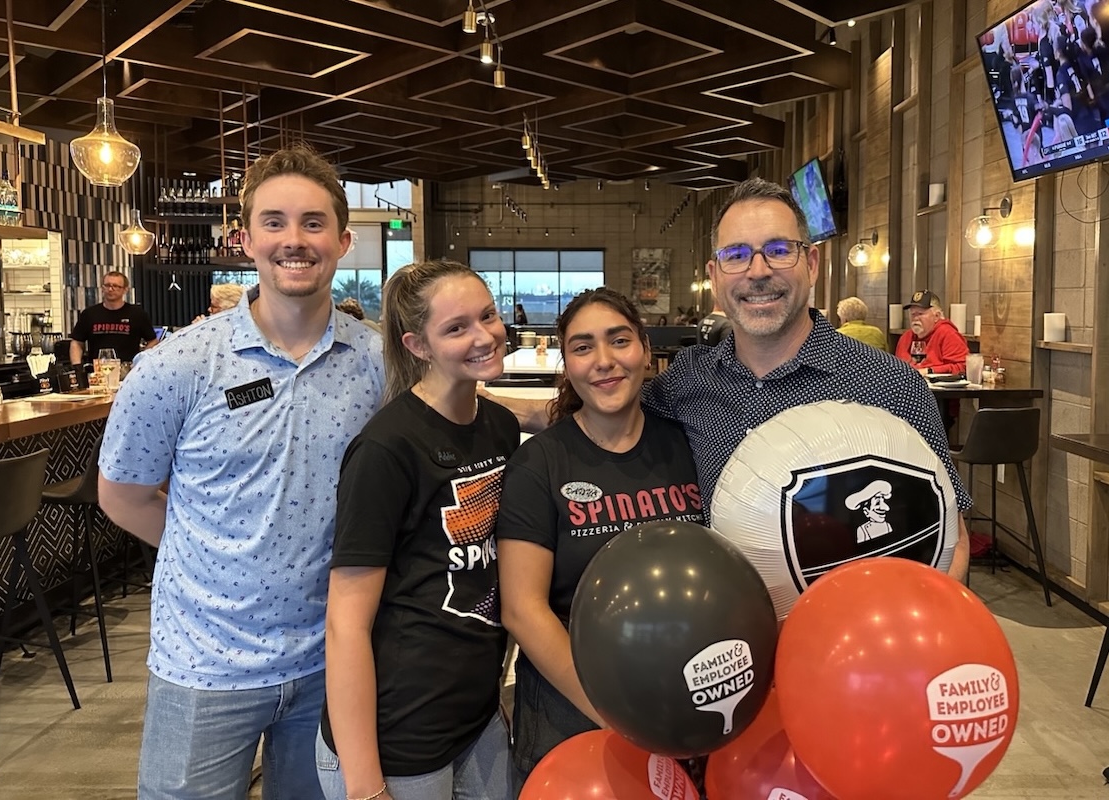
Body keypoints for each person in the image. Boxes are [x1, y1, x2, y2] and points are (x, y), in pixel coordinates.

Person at [492, 178, 970, 581]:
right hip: (723, 643)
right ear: (716, 276)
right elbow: (607, 413)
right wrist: (487, 408)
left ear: (812, 264)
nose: (757, 271)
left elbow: (952, 538)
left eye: (778, 250)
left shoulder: (888, 384)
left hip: (844, 643)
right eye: (737, 255)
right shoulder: (688, 379)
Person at [98, 144, 386, 799]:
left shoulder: (376, 364)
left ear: (342, 242)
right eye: (274, 222)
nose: (294, 240)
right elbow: (122, 495)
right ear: (246, 239)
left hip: (332, 661)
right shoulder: (177, 365)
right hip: (204, 663)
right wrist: (216, 555)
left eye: (313, 223)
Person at [317, 260, 519, 800]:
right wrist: (365, 786)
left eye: (488, 316)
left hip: (475, 716)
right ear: (418, 345)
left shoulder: (498, 425)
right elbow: (345, 624)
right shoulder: (387, 449)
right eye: (457, 328)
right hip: (396, 733)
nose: (485, 336)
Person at [496, 288, 703, 788]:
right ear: (566, 365)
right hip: (574, 711)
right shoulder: (539, 463)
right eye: (583, 347)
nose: (604, 361)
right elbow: (522, 609)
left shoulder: (689, 444)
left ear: (646, 351)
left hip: (685, 703)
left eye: (619, 340)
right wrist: (616, 713)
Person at [70, 270, 158, 364]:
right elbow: (77, 342)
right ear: (102, 288)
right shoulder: (89, 314)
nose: (110, 289)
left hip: (128, 370)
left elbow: (153, 341)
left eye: (115, 286)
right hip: (97, 369)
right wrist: (77, 366)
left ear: (125, 290)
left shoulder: (137, 314)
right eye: (107, 285)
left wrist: (141, 361)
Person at [894, 290, 969, 376]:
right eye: (912, 314)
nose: (915, 318)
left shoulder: (948, 334)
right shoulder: (906, 337)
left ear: (936, 316)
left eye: (920, 314)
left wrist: (929, 371)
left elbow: (962, 367)